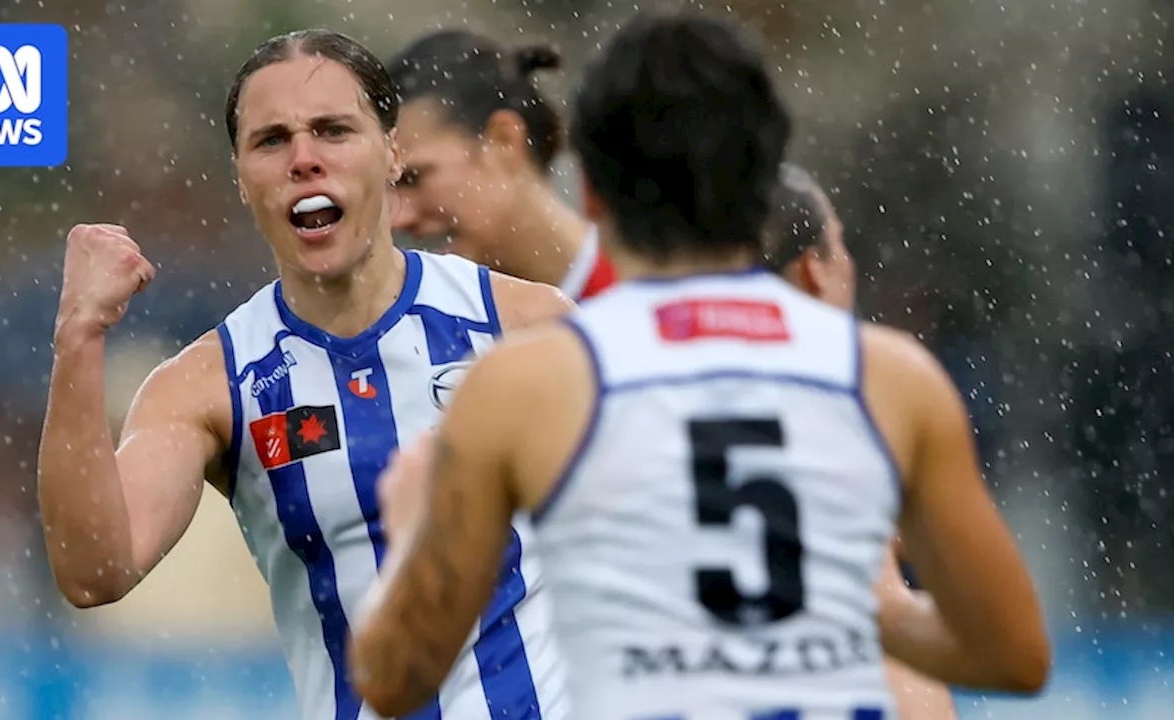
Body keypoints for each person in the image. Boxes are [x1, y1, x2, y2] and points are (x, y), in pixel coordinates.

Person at [347, 9, 1050, 719]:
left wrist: (412, 536)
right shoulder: (891, 377)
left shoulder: (526, 385)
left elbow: (394, 679)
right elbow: (1015, 656)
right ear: (765, 178)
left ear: (590, 189)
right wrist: (879, 605)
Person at [37, 28, 572, 720]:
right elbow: (93, 571)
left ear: (392, 152)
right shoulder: (208, 384)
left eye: (332, 130)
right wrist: (77, 337)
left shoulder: (529, 323)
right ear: (240, 176)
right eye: (271, 141)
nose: (304, 159)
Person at [762, 163, 960, 720]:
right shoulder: (853, 400)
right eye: (840, 245)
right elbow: (886, 619)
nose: (851, 265)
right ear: (813, 270)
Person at [387, 30, 616, 301]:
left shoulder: (648, 310)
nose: (397, 218)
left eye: (414, 178)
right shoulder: (432, 329)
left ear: (504, 139)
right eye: (386, 187)